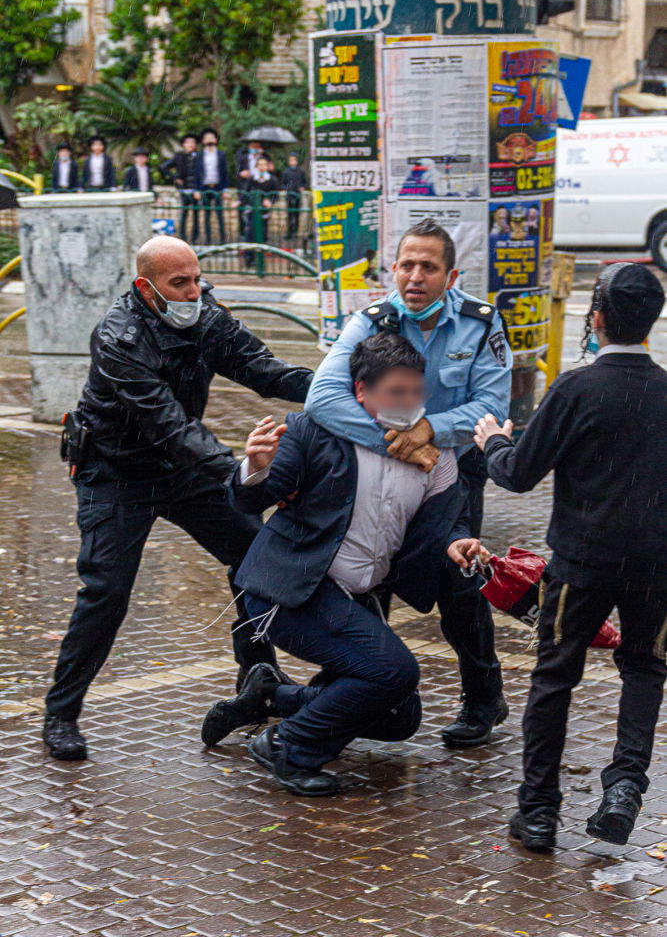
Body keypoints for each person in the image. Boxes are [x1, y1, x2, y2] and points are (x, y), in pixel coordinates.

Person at [43, 236, 313, 763]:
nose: (194, 291)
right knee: (106, 590)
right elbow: (168, 424)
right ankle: (62, 712)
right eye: (180, 283)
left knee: (256, 556)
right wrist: (241, 471)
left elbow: (265, 370)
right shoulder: (119, 338)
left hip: (183, 470)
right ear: (147, 288)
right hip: (115, 472)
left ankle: (256, 674)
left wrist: (347, 386)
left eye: (196, 278)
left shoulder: (205, 313)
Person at [202, 332, 487, 796]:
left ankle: (272, 695)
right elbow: (252, 500)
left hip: (356, 597)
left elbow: (446, 524)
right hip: (291, 591)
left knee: (399, 716)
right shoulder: (316, 429)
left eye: (417, 392)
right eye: (396, 392)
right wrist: (255, 466)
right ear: (361, 392)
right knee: (394, 671)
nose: (410, 403)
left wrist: (459, 544)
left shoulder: (437, 456)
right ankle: (288, 746)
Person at [474, 263, 667, 853]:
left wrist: (493, 442)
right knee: (644, 667)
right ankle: (624, 786)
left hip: (582, 563)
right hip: (658, 565)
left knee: (556, 676)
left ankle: (537, 813)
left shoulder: (576, 388)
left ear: (599, 317)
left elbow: (517, 473)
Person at [305, 217, 513, 748]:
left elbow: (492, 406)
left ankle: (484, 698)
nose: (415, 276)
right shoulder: (370, 322)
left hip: (455, 474)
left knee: (460, 585)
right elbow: (322, 399)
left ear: (451, 275)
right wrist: (399, 442)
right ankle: (359, 686)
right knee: (372, 576)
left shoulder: (481, 322)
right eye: (406, 265)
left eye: (428, 266)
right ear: (392, 269)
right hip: (384, 470)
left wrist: (429, 430)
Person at [159, 132, 200, 243]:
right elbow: (163, 167)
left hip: (196, 190)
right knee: (184, 214)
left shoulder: (200, 157)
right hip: (184, 189)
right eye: (188, 142)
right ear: (183, 144)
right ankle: (182, 238)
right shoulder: (179, 156)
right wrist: (174, 178)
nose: (191, 144)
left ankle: (195, 238)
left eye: (193, 142)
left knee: (196, 215)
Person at [240, 155, 279, 267]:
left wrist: (269, 200)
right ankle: (249, 257)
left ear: (267, 166)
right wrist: (240, 201)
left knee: (263, 234)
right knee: (250, 233)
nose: (262, 167)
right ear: (256, 166)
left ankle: (260, 260)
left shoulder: (272, 179)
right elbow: (245, 193)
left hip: (264, 211)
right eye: (260, 164)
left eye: (264, 164)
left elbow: (275, 195)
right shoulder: (252, 178)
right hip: (252, 209)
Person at [194, 128, 227, 245]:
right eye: (207, 138)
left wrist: (225, 189)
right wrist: (197, 190)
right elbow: (196, 173)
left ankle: (223, 240)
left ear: (216, 140)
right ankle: (208, 240)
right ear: (203, 141)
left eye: (211, 137)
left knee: (220, 214)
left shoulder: (221, 154)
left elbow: (225, 172)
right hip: (204, 188)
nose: (209, 140)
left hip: (217, 187)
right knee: (207, 215)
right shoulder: (199, 155)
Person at [281, 152, 308, 239]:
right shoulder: (286, 172)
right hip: (289, 195)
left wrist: (303, 187)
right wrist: (286, 188)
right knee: (289, 214)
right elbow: (282, 184)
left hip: (297, 195)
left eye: (294, 160)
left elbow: (305, 183)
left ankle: (295, 232)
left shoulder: (301, 171)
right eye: (291, 160)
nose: (292, 162)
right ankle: (289, 232)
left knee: (296, 214)